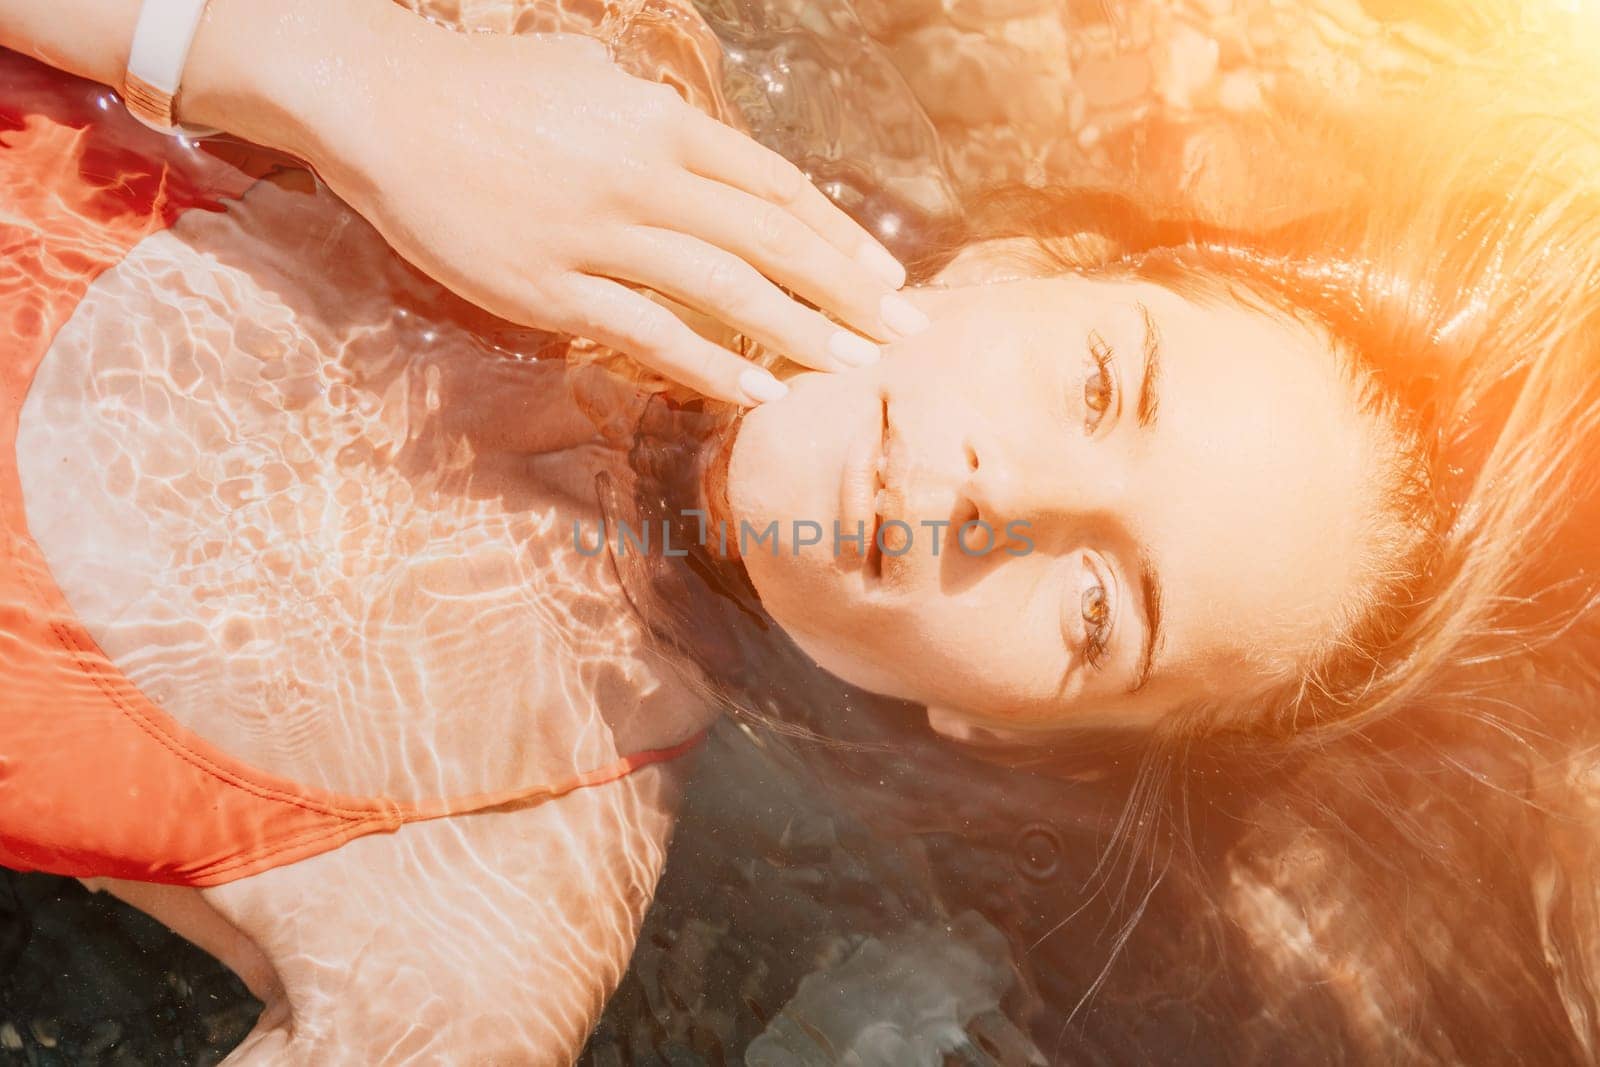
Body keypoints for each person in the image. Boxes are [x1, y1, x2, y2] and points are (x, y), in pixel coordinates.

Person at [4, 6, 1600, 1067]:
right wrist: (307, 64)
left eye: (1100, 607)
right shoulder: (562, 59)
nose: (1006, 496)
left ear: (996, 724)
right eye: (1103, 380)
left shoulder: (488, 907)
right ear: (1023, 260)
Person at [0, 0, 927, 407]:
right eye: (1084, 385)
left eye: (1085, 623)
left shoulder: (558, 790)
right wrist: (361, 75)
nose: (1000, 486)